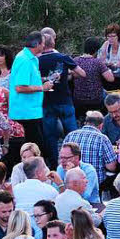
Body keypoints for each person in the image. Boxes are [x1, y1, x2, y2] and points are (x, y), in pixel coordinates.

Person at [37, 27, 83, 167]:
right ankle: (76, 161)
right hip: (64, 99)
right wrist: (67, 75)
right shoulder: (63, 58)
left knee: (50, 136)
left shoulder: (36, 61)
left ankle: (54, 164)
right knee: (72, 133)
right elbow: (82, 73)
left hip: (46, 102)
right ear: (54, 44)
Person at [10, 32, 52, 155]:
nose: (44, 46)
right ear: (37, 44)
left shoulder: (32, 58)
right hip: (25, 113)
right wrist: (42, 87)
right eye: (43, 43)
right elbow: (20, 87)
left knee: (38, 145)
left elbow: (29, 80)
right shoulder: (25, 60)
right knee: (35, 149)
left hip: (32, 111)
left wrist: (44, 80)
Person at [71, 38, 114, 118]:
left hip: (79, 98)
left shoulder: (75, 61)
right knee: (108, 94)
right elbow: (110, 79)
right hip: (95, 99)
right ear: (96, 50)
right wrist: (109, 70)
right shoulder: (98, 62)